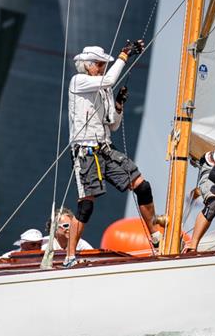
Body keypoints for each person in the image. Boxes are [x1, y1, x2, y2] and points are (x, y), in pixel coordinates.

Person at [65, 42, 161, 267]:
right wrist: (124, 55)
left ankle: (156, 235)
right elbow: (108, 79)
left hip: (105, 148)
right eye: (99, 64)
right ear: (87, 66)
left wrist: (118, 105)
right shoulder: (78, 81)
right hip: (85, 151)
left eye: (104, 64)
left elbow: (113, 124)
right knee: (86, 206)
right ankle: (70, 256)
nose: (102, 68)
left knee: (142, 185)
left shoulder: (104, 88)